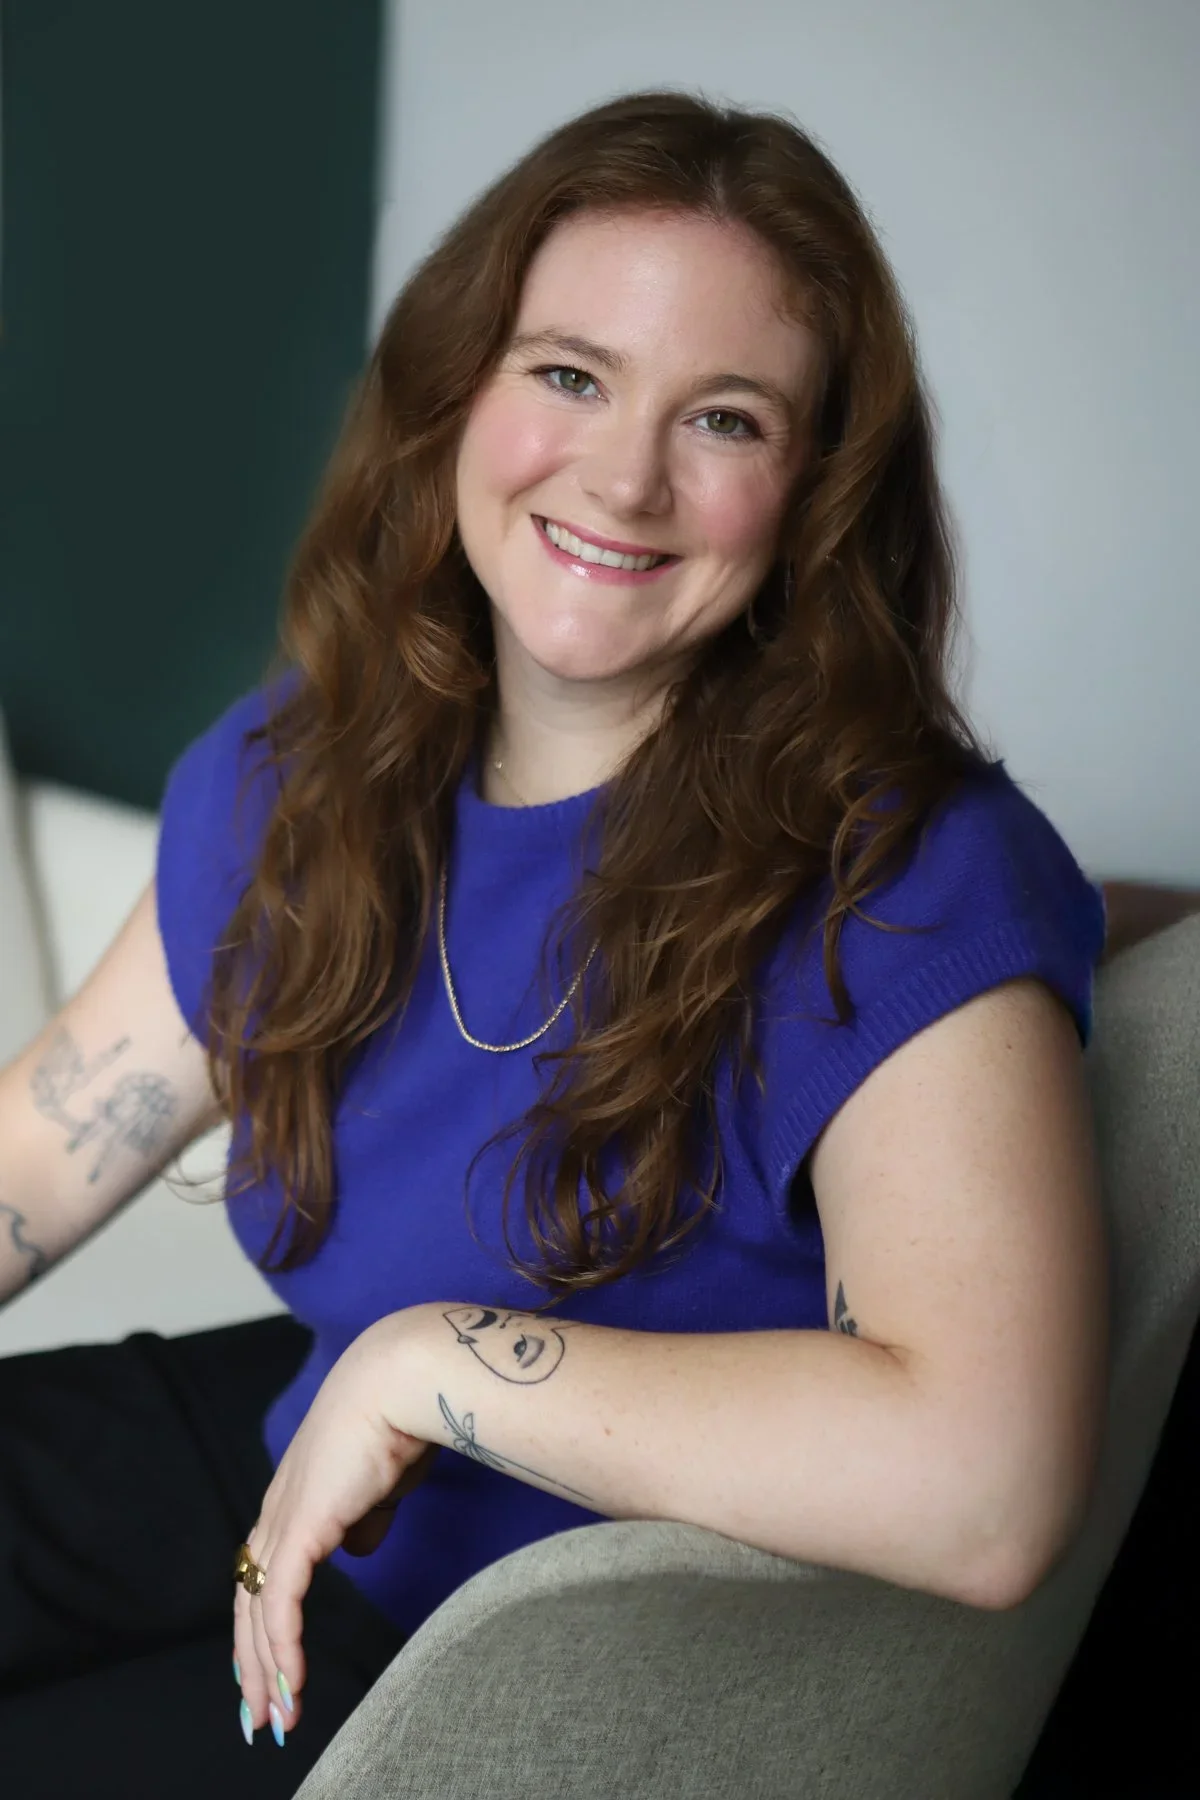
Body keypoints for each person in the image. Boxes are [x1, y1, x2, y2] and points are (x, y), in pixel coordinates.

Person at [0, 88, 1196, 1799]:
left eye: (726, 417)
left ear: (816, 490)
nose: (624, 474)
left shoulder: (910, 877)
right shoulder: (314, 770)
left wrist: (432, 1362)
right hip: (290, 1461)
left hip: (552, 1650)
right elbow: (45, 1140)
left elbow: (988, 1489)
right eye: (569, 373)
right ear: (454, 397)